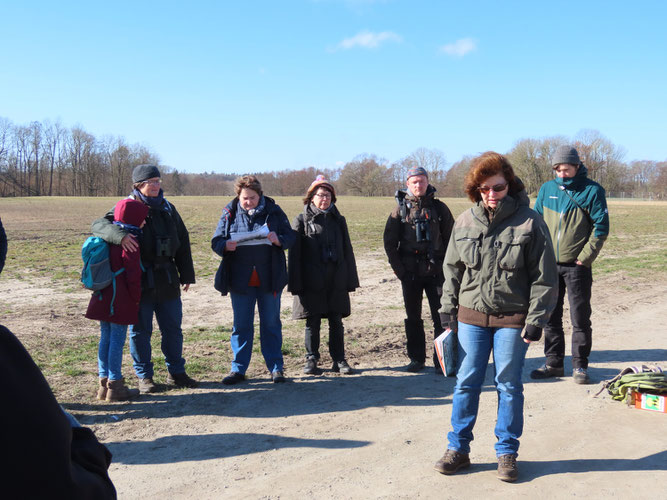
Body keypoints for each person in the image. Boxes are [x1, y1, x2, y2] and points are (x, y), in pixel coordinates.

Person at [434, 152, 557, 482]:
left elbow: (545, 277)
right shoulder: (464, 221)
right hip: (471, 318)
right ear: (475, 189)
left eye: (498, 187)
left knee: (508, 384)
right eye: (483, 189)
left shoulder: (530, 222)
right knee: (466, 382)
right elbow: (451, 271)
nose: (491, 195)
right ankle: (458, 449)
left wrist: (536, 319)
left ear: (510, 184)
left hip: (512, 319)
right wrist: (447, 311)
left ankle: (506, 453)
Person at [92, 164, 197, 393]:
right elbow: (98, 225)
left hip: (167, 277)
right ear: (139, 185)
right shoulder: (126, 206)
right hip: (139, 278)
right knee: (140, 331)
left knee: (173, 328)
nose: (157, 186)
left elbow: (183, 240)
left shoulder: (168, 208)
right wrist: (120, 236)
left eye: (159, 181)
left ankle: (176, 373)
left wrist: (186, 273)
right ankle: (145, 377)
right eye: (152, 182)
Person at [531, 145, 609, 384]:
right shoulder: (547, 189)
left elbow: (601, 227)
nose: (562, 174)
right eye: (558, 170)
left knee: (580, 317)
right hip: (549, 265)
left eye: (566, 169)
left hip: (577, 267)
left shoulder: (593, 191)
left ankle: (580, 366)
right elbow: (535, 223)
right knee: (550, 317)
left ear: (577, 166)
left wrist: (584, 257)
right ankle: (553, 364)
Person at [212, 175, 295, 384]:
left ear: (260, 195)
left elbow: (291, 237)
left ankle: (276, 368)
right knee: (241, 326)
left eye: (252, 198)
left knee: (271, 324)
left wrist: (279, 240)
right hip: (240, 281)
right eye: (244, 198)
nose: (248, 202)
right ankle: (238, 369)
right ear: (238, 196)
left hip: (270, 279)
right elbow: (216, 241)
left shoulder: (274, 211)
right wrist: (225, 246)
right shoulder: (229, 212)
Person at [383, 166, 455, 372]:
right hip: (410, 272)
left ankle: (441, 360)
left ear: (427, 182)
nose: (418, 185)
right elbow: (389, 243)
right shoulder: (399, 211)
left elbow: (452, 240)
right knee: (413, 317)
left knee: (441, 316)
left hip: (437, 271)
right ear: (407, 184)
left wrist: (448, 269)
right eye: (414, 182)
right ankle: (416, 359)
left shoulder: (440, 209)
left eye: (421, 181)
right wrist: (400, 271)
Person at [288, 175, 360, 375]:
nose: (324, 199)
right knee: (313, 321)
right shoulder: (301, 220)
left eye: (327, 195)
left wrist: (349, 280)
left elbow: (348, 250)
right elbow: (294, 256)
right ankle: (311, 359)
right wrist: (296, 283)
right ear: (311, 197)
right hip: (312, 280)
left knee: (336, 321)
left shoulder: (339, 220)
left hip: (335, 279)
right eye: (320, 195)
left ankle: (339, 360)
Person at [86, 199, 149, 401]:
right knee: (117, 340)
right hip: (120, 300)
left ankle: (103, 383)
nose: (145, 223)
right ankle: (116, 385)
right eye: (142, 219)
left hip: (104, 296)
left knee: (105, 337)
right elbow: (133, 276)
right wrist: (136, 299)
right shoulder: (130, 242)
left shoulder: (108, 237)